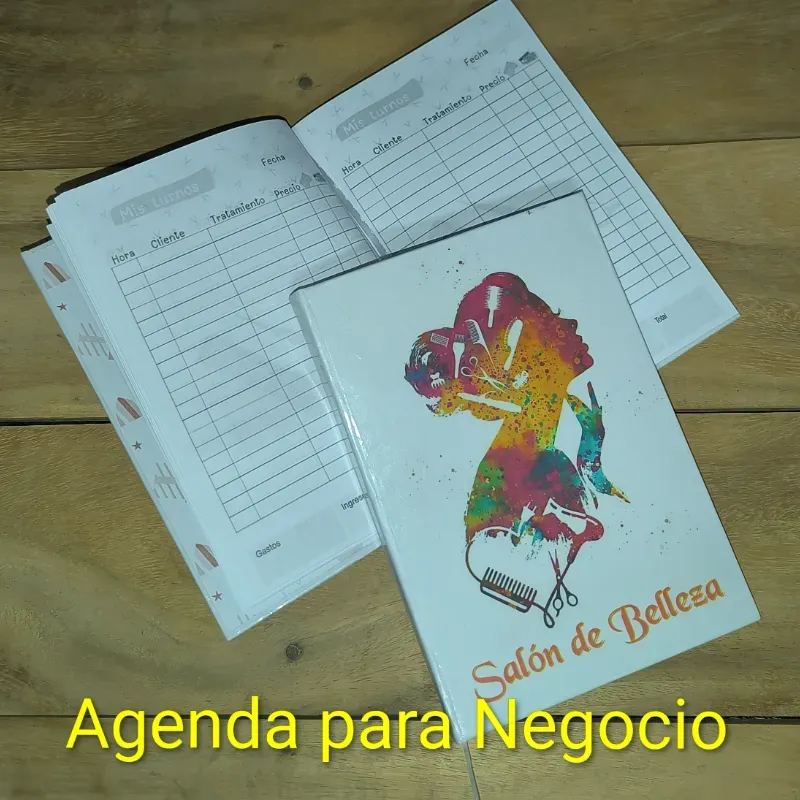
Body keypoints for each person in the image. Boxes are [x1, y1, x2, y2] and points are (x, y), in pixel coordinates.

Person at [404, 272, 628, 621]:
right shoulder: (516, 461)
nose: (569, 324)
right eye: (545, 324)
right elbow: (485, 553)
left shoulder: (550, 441)